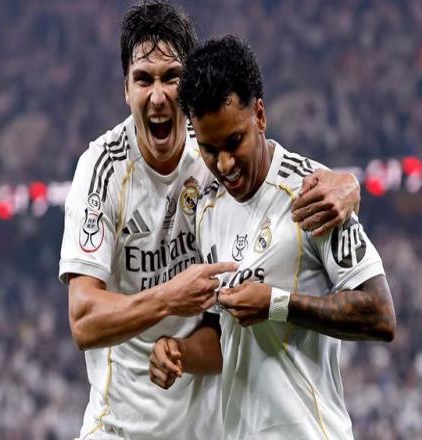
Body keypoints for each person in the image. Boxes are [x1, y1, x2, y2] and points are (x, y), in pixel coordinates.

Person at [59, 1, 361, 438]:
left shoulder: (215, 155)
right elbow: (84, 319)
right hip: (119, 427)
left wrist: (349, 184)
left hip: (207, 428)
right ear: (126, 89)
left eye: (171, 77)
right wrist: (169, 297)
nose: (158, 95)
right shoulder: (103, 169)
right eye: (143, 79)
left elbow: (283, 171)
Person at [149, 35, 396, 440]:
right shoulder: (206, 210)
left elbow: (380, 314)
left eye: (234, 142)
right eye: (209, 149)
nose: (224, 164)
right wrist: (179, 352)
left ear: (260, 116)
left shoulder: (314, 193)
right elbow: (224, 334)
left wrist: (276, 303)